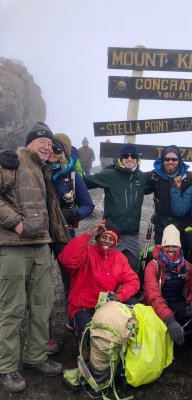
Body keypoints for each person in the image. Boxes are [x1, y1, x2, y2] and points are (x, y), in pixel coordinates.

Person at [0, 122, 70, 393]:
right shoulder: (12, 160)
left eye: (50, 143)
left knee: (43, 304)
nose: (47, 146)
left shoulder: (43, 170)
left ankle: (35, 358)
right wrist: (15, 221)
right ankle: (7, 368)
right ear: (28, 143)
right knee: (12, 308)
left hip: (41, 245)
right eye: (41, 141)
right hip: (13, 247)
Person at [47, 133, 95, 353]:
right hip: (40, 236)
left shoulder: (74, 177)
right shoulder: (40, 171)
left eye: (58, 150)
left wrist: (72, 214)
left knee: (71, 280)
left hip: (66, 236)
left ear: (65, 152)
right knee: (42, 285)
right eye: (50, 148)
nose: (53, 153)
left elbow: (88, 205)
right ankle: (44, 333)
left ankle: (73, 319)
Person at [58, 220, 140, 337]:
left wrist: (119, 296)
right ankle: (78, 330)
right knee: (92, 335)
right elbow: (67, 259)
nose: (107, 241)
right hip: (84, 306)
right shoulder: (86, 251)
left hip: (110, 303)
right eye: (104, 237)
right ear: (97, 238)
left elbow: (133, 281)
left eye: (111, 239)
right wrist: (88, 235)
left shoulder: (119, 257)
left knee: (135, 315)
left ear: (116, 243)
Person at [83, 143, 147, 271]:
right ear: (120, 158)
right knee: (107, 268)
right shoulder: (111, 174)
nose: (129, 158)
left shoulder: (141, 177)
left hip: (131, 234)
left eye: (133, 155)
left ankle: (126, 291)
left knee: (132, 268)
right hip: (111, 232)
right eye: (125, 155)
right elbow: (85, 182)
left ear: (137, 158)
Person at [143, 224, 192, 346]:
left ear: (179, 247)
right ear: (162, 246)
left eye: (174, 246)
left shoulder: (186, 266)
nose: (170, 249)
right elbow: (153, 295)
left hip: (177, 302)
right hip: (156, 305)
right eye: (167, 246)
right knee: (157, 327)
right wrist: (170, 320)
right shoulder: (153, 266)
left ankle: (180, 343)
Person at [145, 145, 192, 251]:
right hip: (161, 228)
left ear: (179, 160)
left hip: (182, 229)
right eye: (167, 159)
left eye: (174, 159)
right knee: (161, 260)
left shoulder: (190, 177)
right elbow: (134, 177)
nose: (170, 161)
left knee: (181, 262)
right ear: (163, 160)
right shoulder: (155, 175)